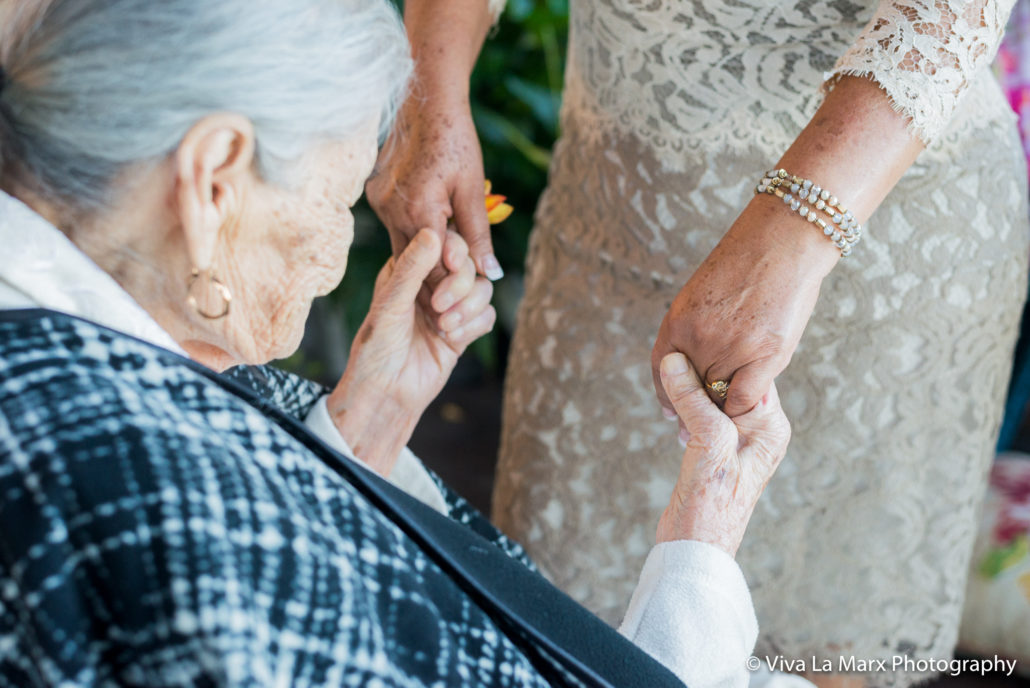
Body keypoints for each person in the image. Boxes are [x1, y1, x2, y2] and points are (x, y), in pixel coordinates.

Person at [0, 1, 800, 686]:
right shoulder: (150, 504)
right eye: (341, 196)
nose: (338, 245)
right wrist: (704, 538)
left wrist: (362, 433)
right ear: (214, 179)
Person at [368, 1, 1030, 686]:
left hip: (882, 239)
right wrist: (430, 97)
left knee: (828, 651)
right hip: (614, 215)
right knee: (554, 624)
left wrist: (791, 241)